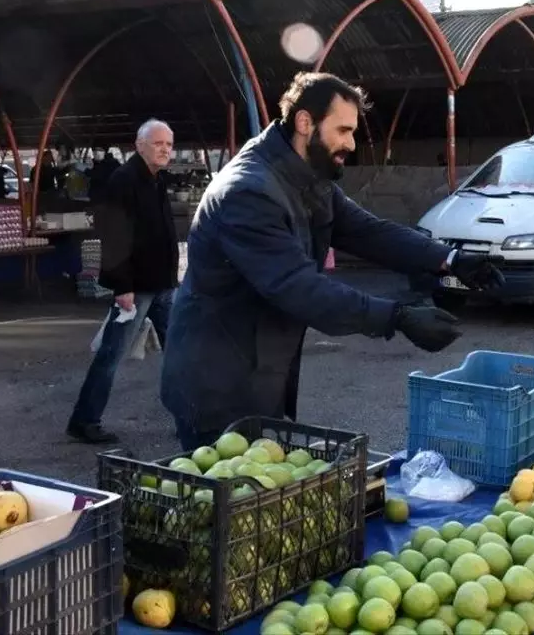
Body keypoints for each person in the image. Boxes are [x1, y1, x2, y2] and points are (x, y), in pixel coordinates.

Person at [160, 72, 503, 450]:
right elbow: (299, 288)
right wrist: (396, 317)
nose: (351, 144)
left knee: (254, 492)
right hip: (215, 381)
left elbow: (368, 231)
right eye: (342, 130)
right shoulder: (248, 192)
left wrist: (451, 259)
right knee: (219, 497)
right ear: (305, 122)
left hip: (258, 370)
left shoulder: (308, 177)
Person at [67, 120, 180, 444]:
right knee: (111, 355)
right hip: (136, 287)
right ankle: (84, 420)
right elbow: (113, 236)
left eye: (169, 145)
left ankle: (190, 416)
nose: (165, 149)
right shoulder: (124, 180)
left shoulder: (156, 179)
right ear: (139, 144)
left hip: (162, 284)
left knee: (180, 352)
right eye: (158, 143)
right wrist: (122, 286)